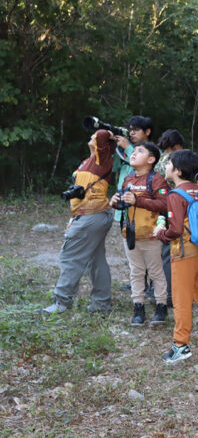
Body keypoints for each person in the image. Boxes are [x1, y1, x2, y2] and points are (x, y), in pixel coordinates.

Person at [153, 150, 198, 364]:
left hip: (182, 253)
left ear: (178, 171)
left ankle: (180, 345)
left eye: (169, 164)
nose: (166, 167)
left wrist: (159, 234)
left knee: (182, 300)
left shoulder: (175, 195)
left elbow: (174, 230)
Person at [43, 130, 116, 314]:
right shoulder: (88, 161)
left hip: (93, 214)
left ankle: (62, 302)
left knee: (70, 257)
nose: (92, 136)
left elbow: (100, 135)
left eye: (95, 137)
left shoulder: (103, 158)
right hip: (88, 214)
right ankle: (101, 304)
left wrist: (106, 129)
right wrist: (74, 218)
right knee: (96, 260)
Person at [110, 141, 170, 326]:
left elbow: (165, 204)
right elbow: (125, 203)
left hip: (151, 235)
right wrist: (115, 202)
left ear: (151, 159)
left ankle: (161, 307)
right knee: (135, 272)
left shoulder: (156, 179)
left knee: (155, 272)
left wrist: (139, 201)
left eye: (140, 151)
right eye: (134, 150)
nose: (134, 153)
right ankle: (138, 308)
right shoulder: (128, 179)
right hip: (131, 234)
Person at [154, 128, 184, 307]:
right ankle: (170, 295)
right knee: (168, 252)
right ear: (176, 145)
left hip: (156, 207)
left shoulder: (155, 159)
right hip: (172, 206)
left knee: (157, 252)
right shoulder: (174, 160)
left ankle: (156, 290)